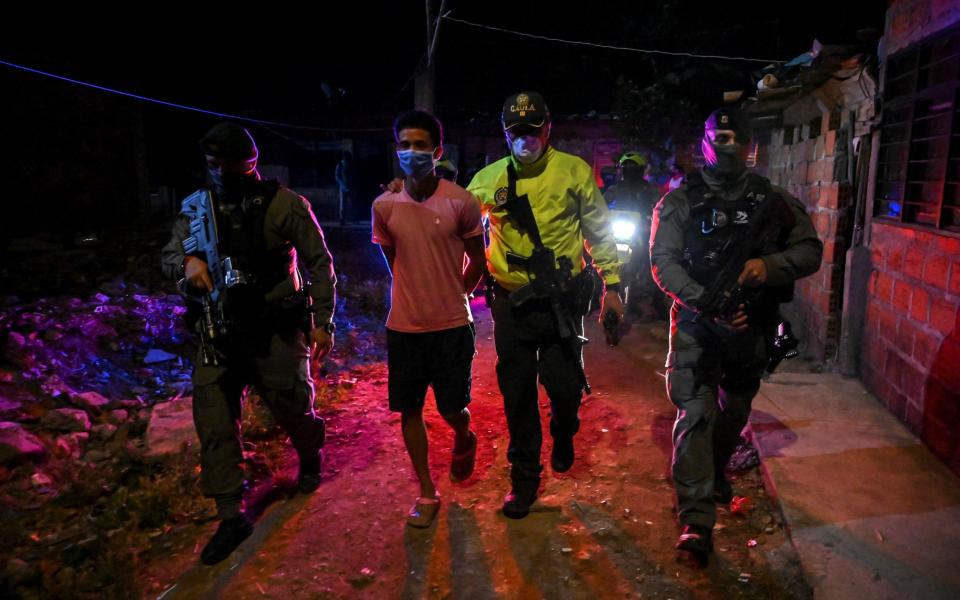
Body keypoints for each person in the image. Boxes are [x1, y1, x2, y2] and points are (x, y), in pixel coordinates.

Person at [649, 107, 822, 563]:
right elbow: (663, 263)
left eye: (734, 137)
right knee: (696, 413)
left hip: (750, 331)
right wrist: (708, 304)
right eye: (716, 136)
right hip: (695, 325)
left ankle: (716, 471)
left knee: (734, 409)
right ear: (703, 141)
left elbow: (809, 250)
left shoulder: (773, 201)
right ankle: (696, 521)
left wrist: (768, 266)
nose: (725, 145)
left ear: (750, 146)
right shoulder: (679, 201)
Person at [161, 122, 337, 565]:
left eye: (225, 163)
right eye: (210, 163)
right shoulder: (196, 210)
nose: (217, 171)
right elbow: (168, 256)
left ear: (250, 163)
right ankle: (231, 516)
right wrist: (188, 264)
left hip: (274, 328)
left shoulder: (284, 205)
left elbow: (319, 262)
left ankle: (310, 451)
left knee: (292, 405)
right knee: (216, 425)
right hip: (217, 333)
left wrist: (323, 324)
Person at [466, 91, 624, 519]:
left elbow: (599, 229)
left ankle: (565, 428)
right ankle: (523, 479)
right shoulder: (487, 180)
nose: (525, 138)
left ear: (548, 128)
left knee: (564, 386)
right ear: (505, 133)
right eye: (516, 131)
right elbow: (454, 218)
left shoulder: (573, 172)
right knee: (517, 393)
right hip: (510, 303)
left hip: (561, 302)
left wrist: (613, 284)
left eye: (533, 129)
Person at [371, 110, 486, 528]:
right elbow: (393, 262)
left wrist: (460, 291)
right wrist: (415, 290)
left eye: (421, 145)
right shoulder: (384, 204)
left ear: (438, 151)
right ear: (396, 149)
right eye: (405, 145)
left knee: (453, 407)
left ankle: (464, 436)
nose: (412, 153)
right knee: (410, 409)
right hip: (404, 326)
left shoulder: (461, 201)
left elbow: (478, 260)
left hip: (453, 325)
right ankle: (425, 490)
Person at [604, 152, 663, 319]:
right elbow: (600, 206)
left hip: (642, 232)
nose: (629, 171)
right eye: (626, 168)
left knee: (652, 263)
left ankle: (657, 301)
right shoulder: (614, 189)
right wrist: (602, 215)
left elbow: (660, 206)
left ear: (640, 170)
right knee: (604, 261)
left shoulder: (649, 189)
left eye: (633, 168)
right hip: (618, 232)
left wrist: (654, 216)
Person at [334, 151, 355, 225]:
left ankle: (354, 219)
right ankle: (342, 220)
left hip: (350, 186)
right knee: (343, 204)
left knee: (353, 203)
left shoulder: (351, 164)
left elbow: (353, 175)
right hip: (343, 188)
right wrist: (342, 185)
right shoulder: (340, 165)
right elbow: (337, 177)